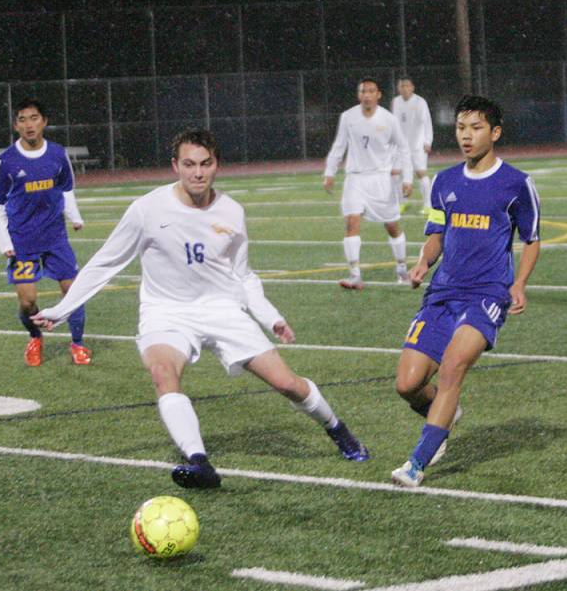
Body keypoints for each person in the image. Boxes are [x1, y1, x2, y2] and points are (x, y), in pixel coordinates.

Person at [33, 128, 369, 489]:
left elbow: (243, 275)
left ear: (216, 165)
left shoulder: (232, 212)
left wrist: (270, 316)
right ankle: (199, 461)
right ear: (175, 166)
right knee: (163, 372)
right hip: (166, 311)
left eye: (205, 164)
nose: (198, 173)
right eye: (189, 164)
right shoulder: (147, 209)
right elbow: (104, 263)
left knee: (287, 383)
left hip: (222, 308)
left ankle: (338, 429)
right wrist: (64, 308)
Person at [391, 95, 541, 488]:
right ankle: (445, 416)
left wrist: (519, 284)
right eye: (460, 128)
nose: (466, 136)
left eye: (475, 128)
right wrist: (424, 261)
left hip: (487, 295)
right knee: (407, 384)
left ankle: (416, 464)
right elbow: (437, 234)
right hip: (443, 293)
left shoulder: (517, 183)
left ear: (495, 132)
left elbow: (532, 238)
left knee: (454, 368)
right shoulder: (444, 182)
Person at [0, 98, 90, 367]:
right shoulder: (6, 161)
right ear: (15, 125)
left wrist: (74, 217)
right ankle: (35, 337)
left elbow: (66, 189)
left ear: (44, 121)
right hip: (22, 242)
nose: (29, 124)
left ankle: (77, 344)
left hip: (56, 238)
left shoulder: (57, 154)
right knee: (27, 300)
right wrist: (4, 242)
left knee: (73, 292)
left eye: (34, 118)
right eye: (22, 119)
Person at [323, 78, 413, 290]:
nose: (367, 95)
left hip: (381, 180)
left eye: (371, 91)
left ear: (378, 95)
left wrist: (407, 178)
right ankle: (355, 275)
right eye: (363, 91)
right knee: (351, 222)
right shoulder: (348, 117)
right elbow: (339, 145)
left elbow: (403, 148)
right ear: (359, 95)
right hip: (355, 179)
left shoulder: (388, 119)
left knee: (392, 226)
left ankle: (401, 268)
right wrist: (330, 172)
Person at [390, 76, 434, 216]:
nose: (404, 88)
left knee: (421, 173)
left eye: (407, 86)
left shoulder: (420, 102)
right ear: (398, 88)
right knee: (395, 174)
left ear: (412, 87)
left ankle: (427, 205)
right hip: (400, 146)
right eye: (401, 86)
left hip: (417, 146)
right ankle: (403, 202)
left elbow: (427, 122)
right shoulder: (395, 102)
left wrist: (428, 141)